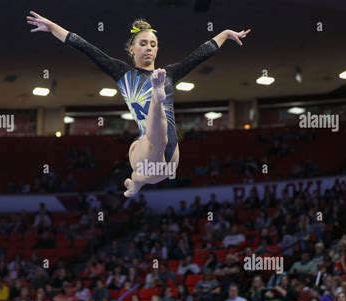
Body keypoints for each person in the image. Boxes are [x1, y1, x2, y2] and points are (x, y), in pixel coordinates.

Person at [27, 11, 250, 197]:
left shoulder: (168, 74)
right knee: (150, 153)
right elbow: (85, 47)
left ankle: (137, 180)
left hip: (169, 157)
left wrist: (225, 34)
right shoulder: (123, 73)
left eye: (153, 44)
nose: (149, 48)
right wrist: (53, 27)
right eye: (143, 44)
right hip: (148, 148)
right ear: (132, 49)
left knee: (154, 156)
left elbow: (199, 55)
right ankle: (137, 179)